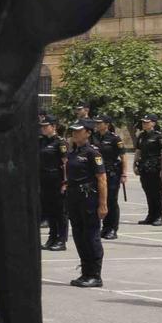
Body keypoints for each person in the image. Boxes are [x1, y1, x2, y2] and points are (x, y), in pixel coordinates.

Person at [64, 119, 109, 288]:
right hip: (74, 197)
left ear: (88, 133)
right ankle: (85, 271)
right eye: (73, 131)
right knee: (78, 235)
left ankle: (95, 274)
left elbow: (102, 179)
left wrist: (103, 204)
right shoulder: (73, 152)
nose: (75, 134)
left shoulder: (93, 153)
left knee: (91, 236)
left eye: (78, 131)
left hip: (88, 198)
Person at [92, 114, 126, 240]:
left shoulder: (114, 139)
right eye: (96, 123)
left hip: (111, 173)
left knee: (111, 201)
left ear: (107, 124)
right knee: (100, 200)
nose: (97, 125)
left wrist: (124, 173)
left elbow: (123, 156)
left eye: (100, 123)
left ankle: (112, 228)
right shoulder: (93, 137)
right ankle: (105, 228)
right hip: (97, 173)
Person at [38, 113, 67, 251]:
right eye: (42, 126)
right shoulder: (41, 141)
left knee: (59, 211)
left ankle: (61, 239)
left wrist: (65, 182)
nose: (43, 129)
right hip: (44, 180)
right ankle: (52, 237)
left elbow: (65, 163)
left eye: (46, 126)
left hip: (57, 180)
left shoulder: (60, 143)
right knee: (49, 210)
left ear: (53, 127)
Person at [133, 114, 162, 226]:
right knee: (148, 192)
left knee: (156, 193)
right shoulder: (141, 136)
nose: (144, 124)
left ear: (153, 123)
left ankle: (159, 216)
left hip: (155, 168)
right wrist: (135, 165)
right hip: (144, 167)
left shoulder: (158, 136)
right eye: (143, 122)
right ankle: (151, 215)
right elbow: (138, 151)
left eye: (147, 122)